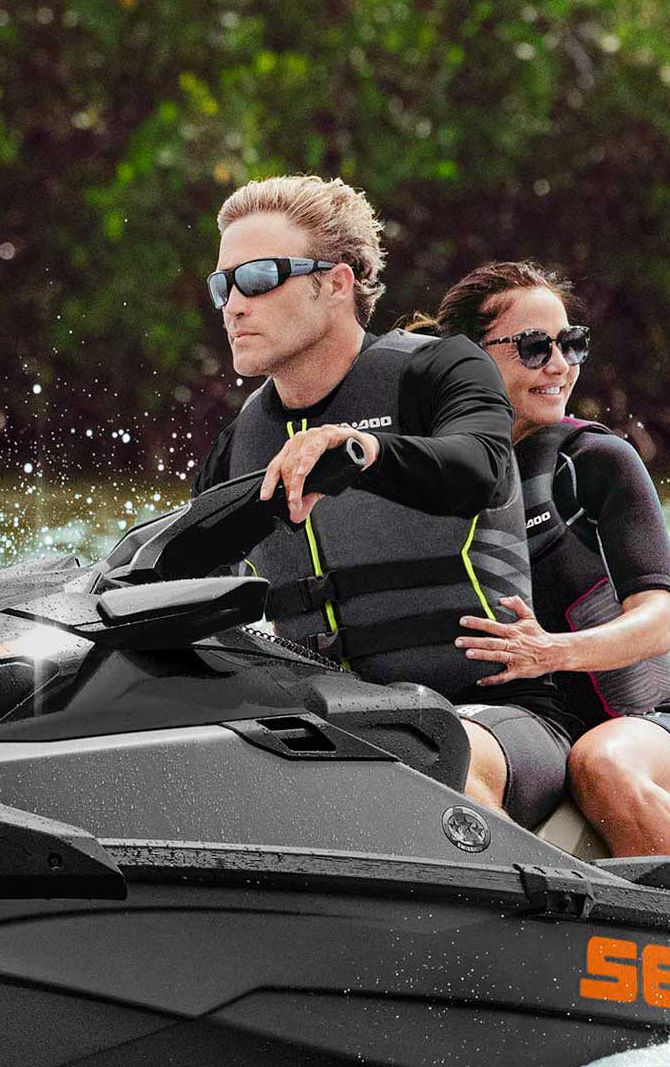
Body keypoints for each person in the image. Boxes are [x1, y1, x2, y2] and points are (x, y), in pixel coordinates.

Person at [193, 176, 567, 826]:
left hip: (498, 716)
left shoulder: (439, 372)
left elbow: (478, 465)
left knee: (426, 751)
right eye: (222, 286)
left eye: (255, 278)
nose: (233, 305)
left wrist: (362, 451)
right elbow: (181, 569)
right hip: (341, 722)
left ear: (336, 284)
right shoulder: (246, 438)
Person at [435, 262, 670, 862]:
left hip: (651, 730)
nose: (560, 364)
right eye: (534, 346)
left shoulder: (596, 460)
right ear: (465, 360)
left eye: (571, 344)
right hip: (528, 738)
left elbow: (656, 623)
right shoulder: (430, 474)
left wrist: (549, 651)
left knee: (599, 762)